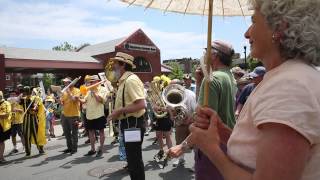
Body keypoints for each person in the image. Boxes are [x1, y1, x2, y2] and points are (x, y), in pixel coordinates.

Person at [189, 0, 320, 179]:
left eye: (254, 21)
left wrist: (212, 150)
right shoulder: (286, 78)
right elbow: (257, 148)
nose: (246, 33)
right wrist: (222, 132)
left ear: (280, 27)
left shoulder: (289, 86)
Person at [168, 40, 237, 180]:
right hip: (227, 141)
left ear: (214, 55)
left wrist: (182, 146)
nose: (204, 55)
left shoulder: (212, 79)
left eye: (206, 52)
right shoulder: (229, 76)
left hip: (211, 146)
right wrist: (199, 82)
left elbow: (203, 123)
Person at [108, 52, 146, 180]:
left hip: (133, 123)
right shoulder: (124, 80)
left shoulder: (130, 80)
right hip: (130, 123)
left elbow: (141, 104)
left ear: (123, 65)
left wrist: (118, 111)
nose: (113, 66)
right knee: (132, 159)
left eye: (115, 64)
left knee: (134, 160)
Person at [167, 79, 196, 167]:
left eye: (173, 86)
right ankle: (181, 159)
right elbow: (169, 106)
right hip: (180, 122)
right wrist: (171, 114)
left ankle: (196, 163)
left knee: (195, 143)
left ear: (180, 85)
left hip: (191, 121)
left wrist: (190, 119)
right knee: (179, 141)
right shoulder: (171, 95)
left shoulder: (190, 94)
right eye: (171, 86)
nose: (171, 88)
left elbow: (194, 109)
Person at [82, 75, 108, 157]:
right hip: (89, 115)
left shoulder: (103, 89)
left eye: (93, 81)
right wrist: (77, 98)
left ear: (97, 81)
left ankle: (101, 149)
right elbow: (84, 100)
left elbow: (100, 100)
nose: (91, 83)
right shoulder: (89, 90)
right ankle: (92, 149)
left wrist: (93, 91)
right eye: (90, 82)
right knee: (91, 132)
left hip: (99, 114)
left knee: (101, 132)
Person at [21, 86, 46, 156]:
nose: (27, 93)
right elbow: (18, 102)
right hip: (26, 119)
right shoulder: (23, 100)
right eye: (25, 92)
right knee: (26, 135)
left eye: (28, 92)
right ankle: (28, 151)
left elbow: (37, 107)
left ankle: (40, 148)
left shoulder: (35, 98)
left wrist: (35, 108)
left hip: (34, 118)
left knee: (36, 134)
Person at [60, 77, 81, 154]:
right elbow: (62, 102)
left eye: (67, 82)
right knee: (66, 132)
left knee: (74, 133)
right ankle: (69, 147)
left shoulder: (77, 90)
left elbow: (74, 100)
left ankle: (74, 148)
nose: (65, 84)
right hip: (65, 114)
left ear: (71, 83)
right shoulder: (64, 92)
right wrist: (60, 101)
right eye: (65, 83)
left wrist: (69, 92)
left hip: (74, 115)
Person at [0, 91, 12, 163]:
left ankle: (1, 157)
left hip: (2, 126)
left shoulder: (6, 103)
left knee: (1, 142)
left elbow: (7, 114)